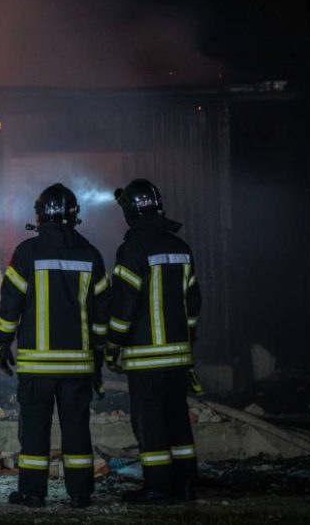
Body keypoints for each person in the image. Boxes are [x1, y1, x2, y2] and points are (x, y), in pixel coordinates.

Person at [0, 183, 110, 508]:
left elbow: (10, 305)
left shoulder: (28, 253)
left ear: (40, 214)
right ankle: (80, 493)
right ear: (75, 216)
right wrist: (99, 351)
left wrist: (2, 345)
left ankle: (33, 493)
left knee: (34, 430)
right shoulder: (91, 254)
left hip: (37, 367)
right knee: (76, 429)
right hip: (78, 366)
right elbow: (102, 311)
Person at [106, 178, 202, 503]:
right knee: (178, 421)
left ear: (130, 212)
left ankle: (158, 487)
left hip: (145, 359)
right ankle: (187, 484)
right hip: (178, 358)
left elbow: (124, 305)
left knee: (151, 424)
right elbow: (193, 304)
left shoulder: (132, 250)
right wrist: (187, 340)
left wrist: (113, 344)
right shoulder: (181, 248)